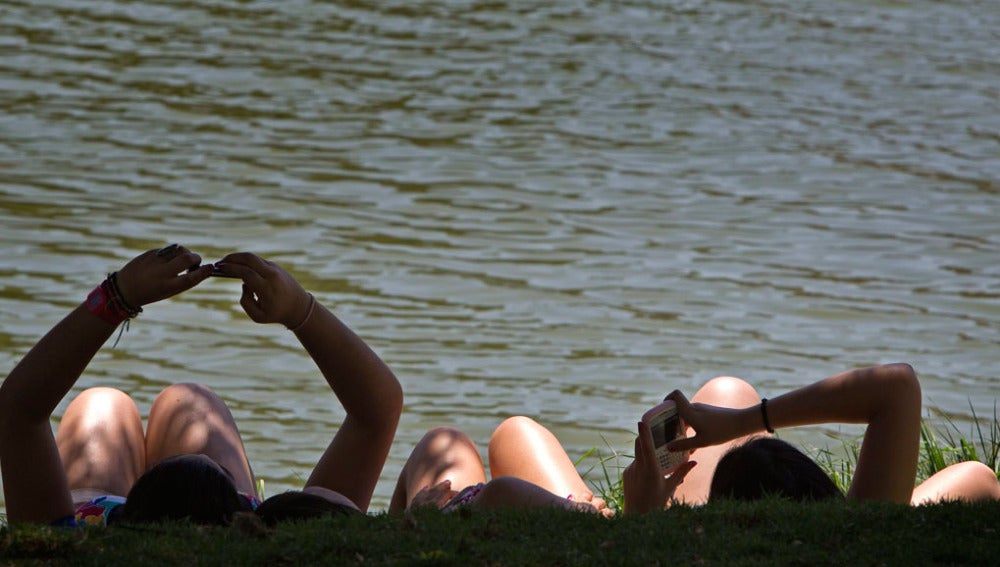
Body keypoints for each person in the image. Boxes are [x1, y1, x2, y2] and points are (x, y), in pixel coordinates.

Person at [0, 245, 402, 526]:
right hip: (185, 519)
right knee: (192, 403)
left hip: (104, 514)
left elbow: (18, 411)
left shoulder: (74, 546)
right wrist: (300, 311)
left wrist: (117, 296)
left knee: (100, 407)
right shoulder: (283, 538)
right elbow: (377, 412)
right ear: (247, 519)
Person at [622, 363, 1000, 514]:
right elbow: (897, 385)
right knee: (977, 475)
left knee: (727, 388)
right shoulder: (859, 540)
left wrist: (644, 516)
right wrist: (745, 422)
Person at [389, 416, 613, 516]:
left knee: (442, 440)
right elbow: (501, 490)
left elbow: (502, 490)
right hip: (463, 515)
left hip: (450, 521)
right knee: (517, 430)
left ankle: (403, 538)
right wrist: (576, 509)